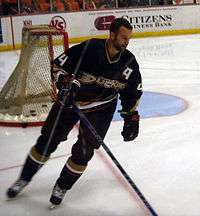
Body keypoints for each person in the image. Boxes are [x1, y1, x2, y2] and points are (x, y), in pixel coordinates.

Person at [6, 17, 143, 207]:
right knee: (47, 141)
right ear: (111, 35)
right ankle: (24, 178)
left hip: (101, 108)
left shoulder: (129, 62)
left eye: (129, 38)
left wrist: (132, 118)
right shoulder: (89, 49)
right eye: (123, 37)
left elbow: (132, 93)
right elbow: (58, 66)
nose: (127, 42)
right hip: (71, 101)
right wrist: (64, 83)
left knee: (84, 153)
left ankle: (62, 186)